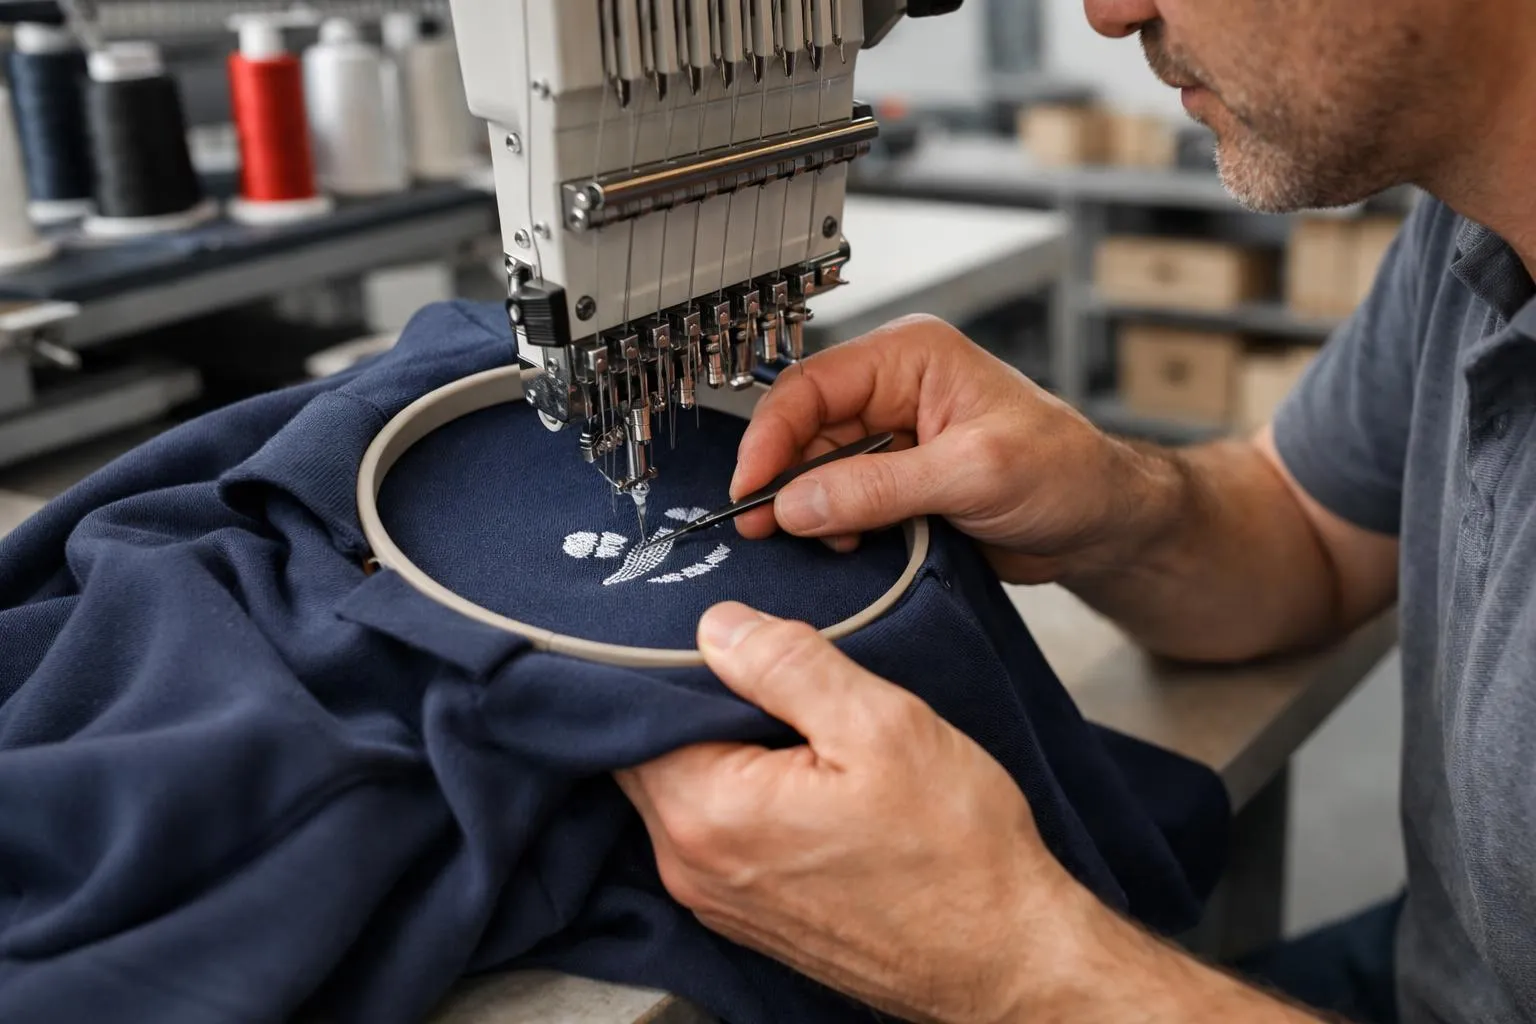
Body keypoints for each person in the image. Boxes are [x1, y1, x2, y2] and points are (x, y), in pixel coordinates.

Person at [614, 1, 1536, 1022]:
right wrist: (1115, 504)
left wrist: (1017, 958)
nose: (1107, 14)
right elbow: (1312, 532)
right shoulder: (1472, 221)